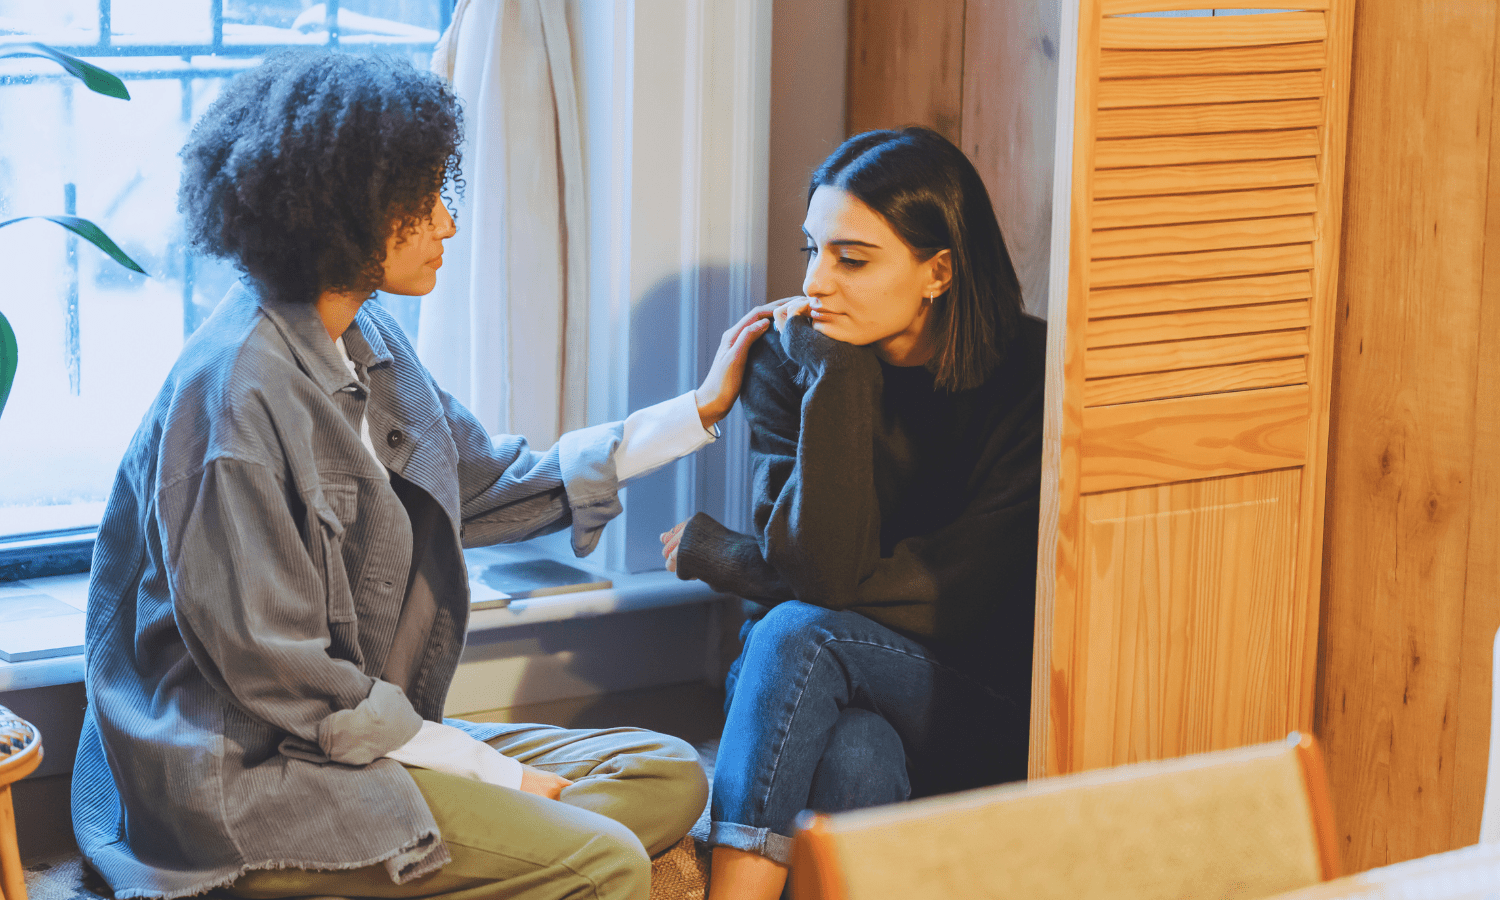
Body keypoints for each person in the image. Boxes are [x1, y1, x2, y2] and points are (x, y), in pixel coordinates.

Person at [72, 50, 773, 900]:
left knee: (668, 774)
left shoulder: (366, 334)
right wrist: (498, 779)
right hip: (253, 781)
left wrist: (696, 410)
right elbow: (288, 682)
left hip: (347, 738)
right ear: (347, 211)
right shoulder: (232, 405)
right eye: (426, 199)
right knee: (608, 861)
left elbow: (489, 482)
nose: (448, 222)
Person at [662, 126, 1046, 900]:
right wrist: (839, 376)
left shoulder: (1031, 377)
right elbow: (820, 568)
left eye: (852, 259)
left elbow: (953, 595)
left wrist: (728, 556)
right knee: (856, 755)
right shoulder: (795, 359)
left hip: (967, 692)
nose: (815, 284)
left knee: (799, 626)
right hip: (798, 683)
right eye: (812, 250)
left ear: (938, 271)